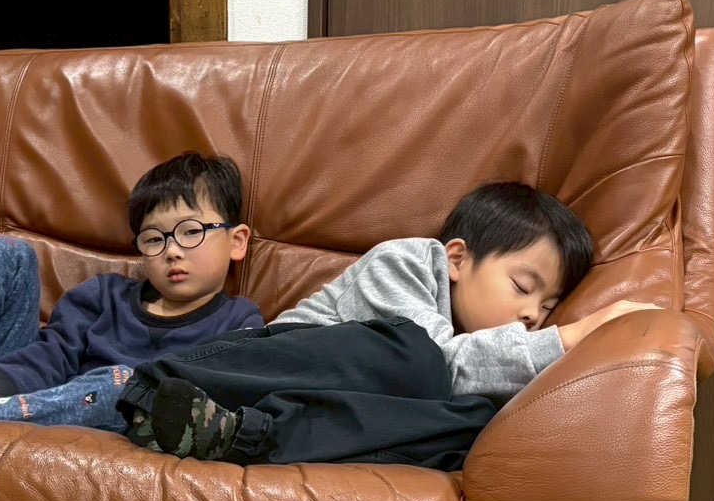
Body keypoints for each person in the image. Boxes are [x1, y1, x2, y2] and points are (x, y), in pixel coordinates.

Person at [117, 181, 658, 467]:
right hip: (251, 368)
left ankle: (234, 437)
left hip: (266, 417)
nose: (531, 315)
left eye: (548, 308)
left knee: (472, 423)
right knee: (417, 355)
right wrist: (571, 336)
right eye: (522, 286)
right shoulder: (406, 262)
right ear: (457, 259)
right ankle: (152, 392)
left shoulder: (475, 351)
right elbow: (443, 365)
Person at [0, 152, 263, 429]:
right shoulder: (103, 297)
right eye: (154, 239)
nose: (172, 251)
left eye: (191, 231)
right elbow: (49, 358)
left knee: (130, 385)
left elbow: (209, 400)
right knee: (5, 251)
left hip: (114, 415)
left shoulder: (240, 322)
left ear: (237, 241)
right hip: (21, 393)